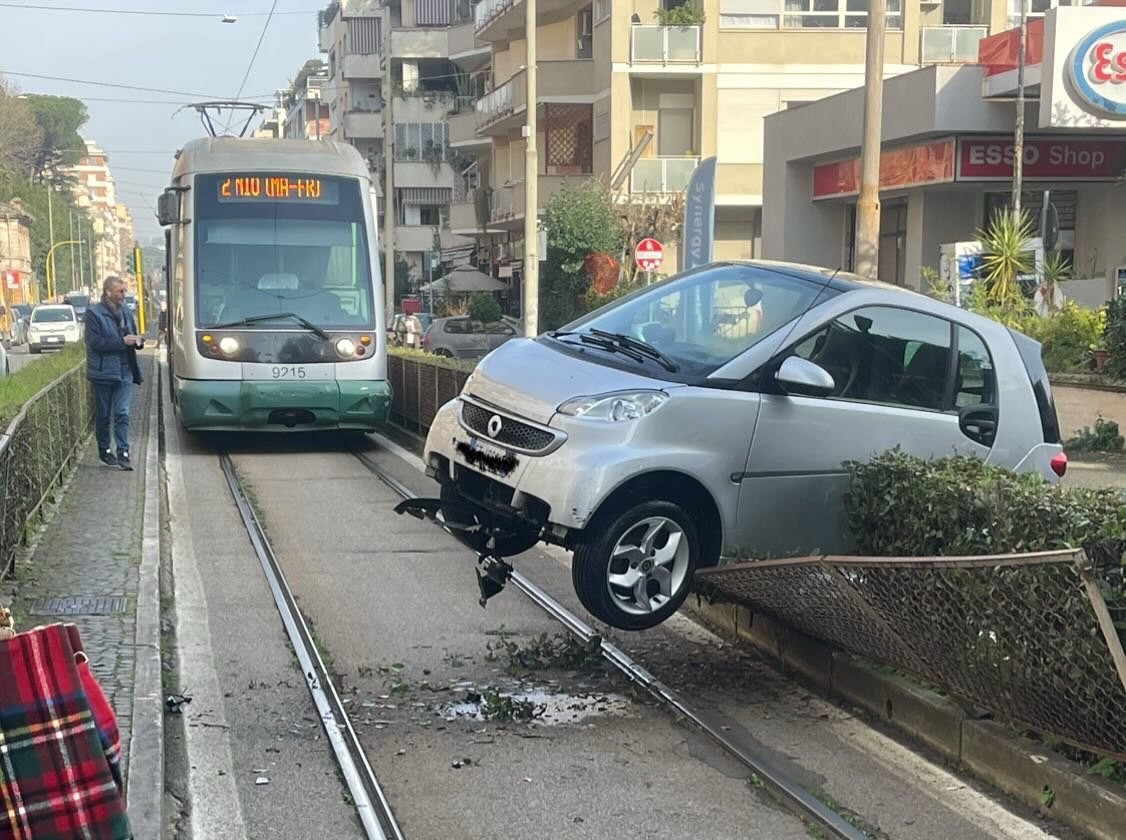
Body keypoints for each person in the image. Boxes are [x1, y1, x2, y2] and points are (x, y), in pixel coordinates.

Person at [85, 276, 143, 470]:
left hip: (125, 371)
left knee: (122, 413)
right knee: (103, 415)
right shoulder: (94, 314)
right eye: (120, 291)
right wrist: (121, 342)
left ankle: (123, 452)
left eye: (124, 291)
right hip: (103, 374)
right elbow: (95, 343)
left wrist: (138, 341)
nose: (123, 295)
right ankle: (104, 450)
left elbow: (132, 335)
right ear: (108, 292)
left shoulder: (126, 311)